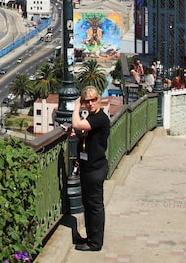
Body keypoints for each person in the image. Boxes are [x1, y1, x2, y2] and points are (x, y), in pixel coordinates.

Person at [71, 86, 110, 252]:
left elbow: (77, 123)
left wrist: (76, 106)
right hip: (90, 168)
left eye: (93, 100)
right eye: (87, 101)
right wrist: (79, 135)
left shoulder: (100, 117)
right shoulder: (94, 117)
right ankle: (91, 237)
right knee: (89, 204)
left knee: (94, 206)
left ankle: (95, 243)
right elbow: (88, 133)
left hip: (95, 168)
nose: (91, 103)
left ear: (98, 99)